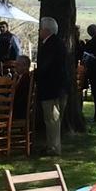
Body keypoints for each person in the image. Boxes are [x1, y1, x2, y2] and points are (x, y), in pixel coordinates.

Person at [35, 17, 67, 156]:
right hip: (57, 87)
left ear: (46, 30)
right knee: (52, 119)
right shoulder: (56, 43)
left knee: (52, 119)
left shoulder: (51, 45)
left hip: (52, 88)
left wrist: (34, 75)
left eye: (41, 28)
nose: (39, 31)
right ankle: (51, 145)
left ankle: (54, 147)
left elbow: (46, 66)